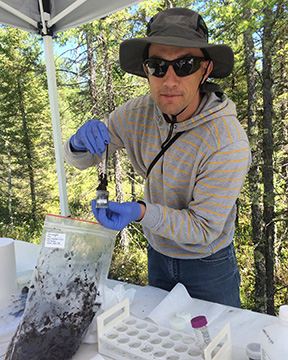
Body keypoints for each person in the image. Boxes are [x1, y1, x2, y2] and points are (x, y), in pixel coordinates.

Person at [63, 8, 251, 307]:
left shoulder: (227, 141)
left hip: (208, 264)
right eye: (158, 65)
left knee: (213, 348)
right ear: (146, 70)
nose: (170, 80)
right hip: (158, 254)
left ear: (206, 69)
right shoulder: (136, 113)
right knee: (160, 340)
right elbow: (80, 160)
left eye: (186, 65)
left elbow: (202, 230)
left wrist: (139, 212)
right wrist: (78, 142)